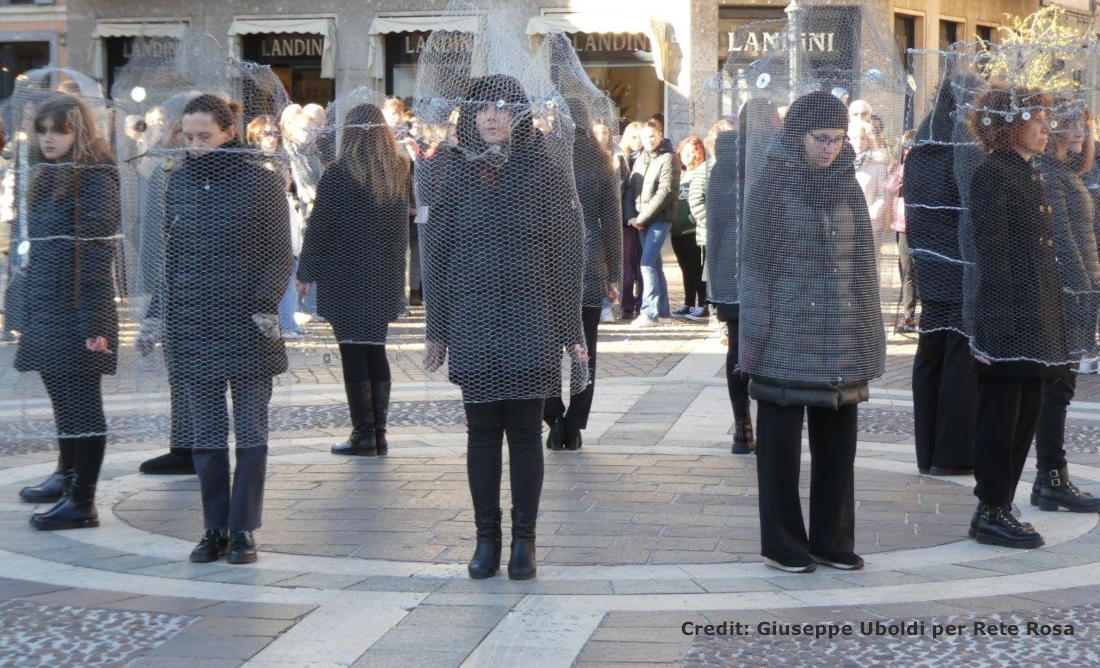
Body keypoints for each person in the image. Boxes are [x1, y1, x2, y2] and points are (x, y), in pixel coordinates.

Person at [420, 74, 588, 580]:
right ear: (470, 118)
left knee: (525, 432)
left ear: (519, 115)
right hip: (473, 321)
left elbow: (565, 258)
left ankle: (524, 541)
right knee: (481, 433)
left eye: (502, 107)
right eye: (482, 108)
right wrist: (437, 329)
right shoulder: (456, 173)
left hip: (532, 319)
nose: (491, 116)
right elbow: (437, 257)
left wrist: (570, 331)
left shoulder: (544, 171)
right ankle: (486, 539)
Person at [140, 94, 292, 564]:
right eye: (188, 137)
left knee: (250, 433)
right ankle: (213, 527)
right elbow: (170, 258)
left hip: (247, 324)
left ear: (230, 132)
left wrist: (264, 304)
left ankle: (243, 528)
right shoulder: (177, 182)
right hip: (191, 323)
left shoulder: (262, 182)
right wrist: (157, 313)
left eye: (205, 136)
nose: (195, 145)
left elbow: (279, 254)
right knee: (205, 437)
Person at [741, 90, 885, 573]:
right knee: (780, 451)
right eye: (820, 138)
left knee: (839, 448)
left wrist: (868, 332)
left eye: (838, 139)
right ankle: (783, 543)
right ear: (797, 135)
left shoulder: (846, 185)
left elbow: (863, 264)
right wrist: (754, 335)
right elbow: (755, 267)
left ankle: (833, 540)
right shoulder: (771, 184)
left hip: (840, 334)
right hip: (784, 335)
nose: (829, 148)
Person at [965, 86, 1064, 549]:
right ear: (1010, 124)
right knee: (1002, 415)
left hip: (1036, 309)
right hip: (1008, 315)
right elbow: (992, 252)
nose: (1047, 128)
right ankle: (991, 508)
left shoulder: (1028, 172)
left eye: (1047, 119)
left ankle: (1001, 505)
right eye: (1037, 119)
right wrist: (996, 325)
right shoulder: (993, 173)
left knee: (1027, 411)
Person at [14, 94, 120, 530]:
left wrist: (92, 321)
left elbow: (97, 252)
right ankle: (66, 474)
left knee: (81, 400)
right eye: (42, 131)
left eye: (59, 130)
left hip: (79, 306)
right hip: (47, 302)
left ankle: (82, 499)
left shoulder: (95, 175)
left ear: (79, 131)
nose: (49, 139)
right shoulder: (46, 173)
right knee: (61, 395)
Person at [296, 103, 409, 457]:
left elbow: (320, 227)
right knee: (375, 349)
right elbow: (399, 234)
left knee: (352, 351)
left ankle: (363, 433)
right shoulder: (397, 170)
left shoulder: (339, 173)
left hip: (344, 275)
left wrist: (305, 272)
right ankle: (378, 433)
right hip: (382, 275)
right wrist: (398, 279)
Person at [905, 77, 977, 476]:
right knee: (958, 361)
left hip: (929, 261)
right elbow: (970, 206)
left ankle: (927, 451)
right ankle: (952, 454)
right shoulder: (962, 143)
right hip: (960, 264)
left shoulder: (923, 141)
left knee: (931, 356)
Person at [1031, 103, 1100, 514]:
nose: (1079, 134)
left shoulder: (1069, 173)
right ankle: (1051, 478)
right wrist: (1083, 289)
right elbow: (1063, 238)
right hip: (1066, 295)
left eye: (1084, 127)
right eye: (1070, 126)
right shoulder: (1050, 173)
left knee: (1060, 387)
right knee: (1055, 388)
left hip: (1079, 291)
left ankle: (1050, 478)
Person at [545, 102, 622, 452]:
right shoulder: (601, 161)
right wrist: (615, 273)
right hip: (591, 260)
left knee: (547, 347)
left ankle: (553, 418)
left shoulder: (546, 156)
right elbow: (612, 224)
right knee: (585, 348)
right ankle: (574, 426)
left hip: (549, 264)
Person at [626, 120, 679, 328]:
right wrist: (632, 216)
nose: (648, 140)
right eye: (644, 137)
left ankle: (649, 313)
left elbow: (666, 191)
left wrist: (642, 217)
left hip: (659, 219)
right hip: (641, 220)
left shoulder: (669, 158)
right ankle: (663, 313)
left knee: (646, 264)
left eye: (652, 136)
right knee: (655, 265)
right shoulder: (640, 159)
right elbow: (631, 188)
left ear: (660, 135)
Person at [670, 136, 707, 322]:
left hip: (693, 231)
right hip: (677, 231)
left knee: (697, 268)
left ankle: (703, 304)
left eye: (692, 152)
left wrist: (694, 217)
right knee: (685, 268)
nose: (687, 155)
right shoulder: (681, 174)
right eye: (685, 152)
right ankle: (688, 302)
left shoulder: (702, 172)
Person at [885, 129, 917, 331]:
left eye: (912, 146)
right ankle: (908, 315)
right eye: (906, 146)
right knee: (906, 270)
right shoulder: (901, 168)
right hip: (902, 224)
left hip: (918, 225)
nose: (908, 150)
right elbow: (889, 187)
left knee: (912, 271)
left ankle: (910, 315)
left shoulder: (924, 168)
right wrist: (901, 169)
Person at [849, 119, 889, 257]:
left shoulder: (878, 165)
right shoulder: (839, 164)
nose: (859, 142)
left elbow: (884, 196)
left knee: (869, 261)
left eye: (863, 138)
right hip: (845, 224)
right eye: (855, 138)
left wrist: (869, 214)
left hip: (870, 225)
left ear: (869, 140)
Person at [618, 121, 645, 319]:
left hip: (645, 215)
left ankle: (643, 302)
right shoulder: (620, 158)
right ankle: (626, 303)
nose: (638, 141)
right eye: (634, 137)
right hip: (623, 218)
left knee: (643, 262)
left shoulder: (650, 158)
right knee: (626, 262)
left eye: (640, 137)